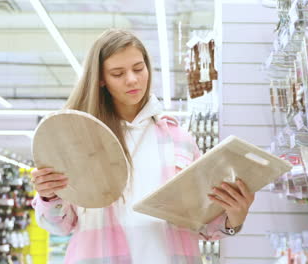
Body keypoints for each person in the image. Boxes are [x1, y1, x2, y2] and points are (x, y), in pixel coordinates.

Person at [31, 29, 255, 264]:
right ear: (101, 79)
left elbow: (203, 225)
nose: (132, 79)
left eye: (139, 68)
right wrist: (48, 196)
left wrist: (234, 217)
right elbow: (59, 226)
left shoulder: (180, 140)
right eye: (118, 73)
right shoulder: (78, 140)